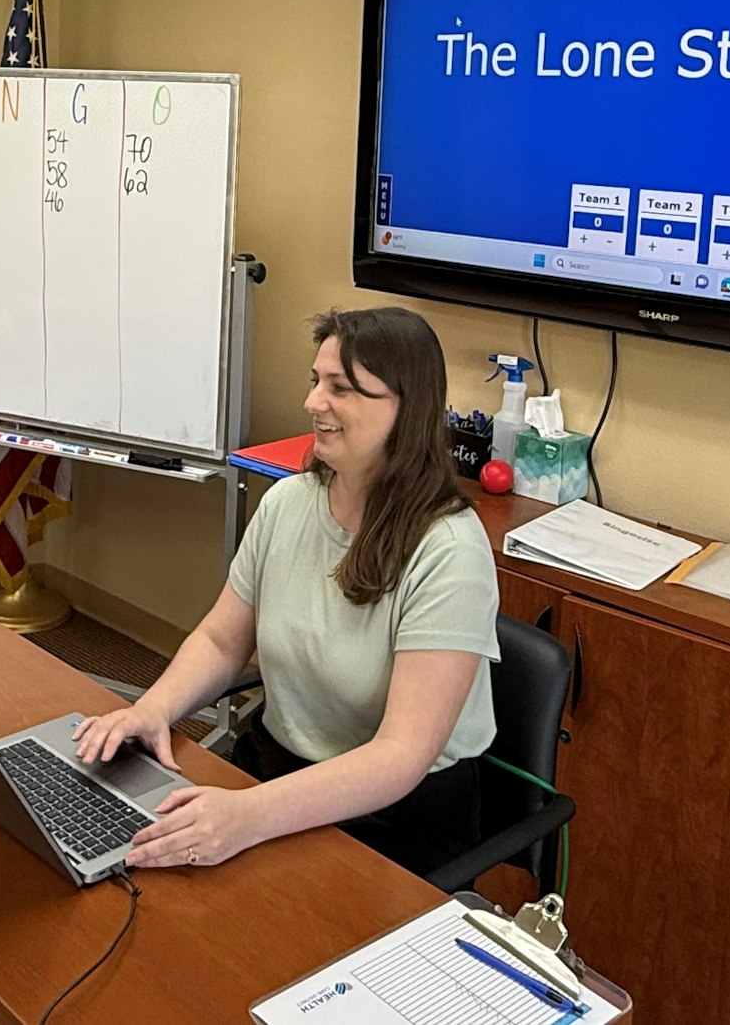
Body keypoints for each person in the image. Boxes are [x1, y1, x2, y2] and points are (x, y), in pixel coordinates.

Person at [75, 305, 500, 877]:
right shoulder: (288, 502)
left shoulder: (450, 549)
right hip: (276, 767)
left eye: (341, 388)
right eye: (315, 381)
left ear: (406, 408)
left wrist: (247, 817)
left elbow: (401, 757)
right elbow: (223, 643)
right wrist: (152, 708)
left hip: (395, 815)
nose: (312, 403)